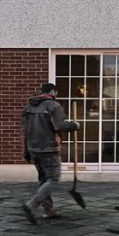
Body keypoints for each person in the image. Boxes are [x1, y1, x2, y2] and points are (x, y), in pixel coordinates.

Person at [21, 82, 79, 223]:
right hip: (48, 148)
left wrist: (26, 150)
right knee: (53, 179)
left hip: (33, 148)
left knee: (43, 179)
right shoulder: (53, 105)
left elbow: (25, 131)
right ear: (52, 92)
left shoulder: (28, 107)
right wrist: (74, 125)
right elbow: (59, 125)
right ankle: (32, 204)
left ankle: (48, 210)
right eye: (55, 92)